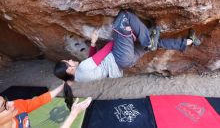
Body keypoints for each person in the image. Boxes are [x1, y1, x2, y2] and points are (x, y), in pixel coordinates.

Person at [54, 10, 201, 103]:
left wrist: (93, 43)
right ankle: (149, 41)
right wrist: (125, 37)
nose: (70, 60)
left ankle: (188, 42)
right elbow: (104, 52)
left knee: (157, 42)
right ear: (69, 70)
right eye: (68, 62)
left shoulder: (80, 76)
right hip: (120, 56)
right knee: (124, 18)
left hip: (124, 62)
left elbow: (93, 59)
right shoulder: (83, 68)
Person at [0, 81, 72, 128]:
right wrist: (73, 114)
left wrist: (62, 86)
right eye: (4, 106)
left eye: (6, 100)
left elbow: (39, 101)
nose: (11, 103)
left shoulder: (17, 106)